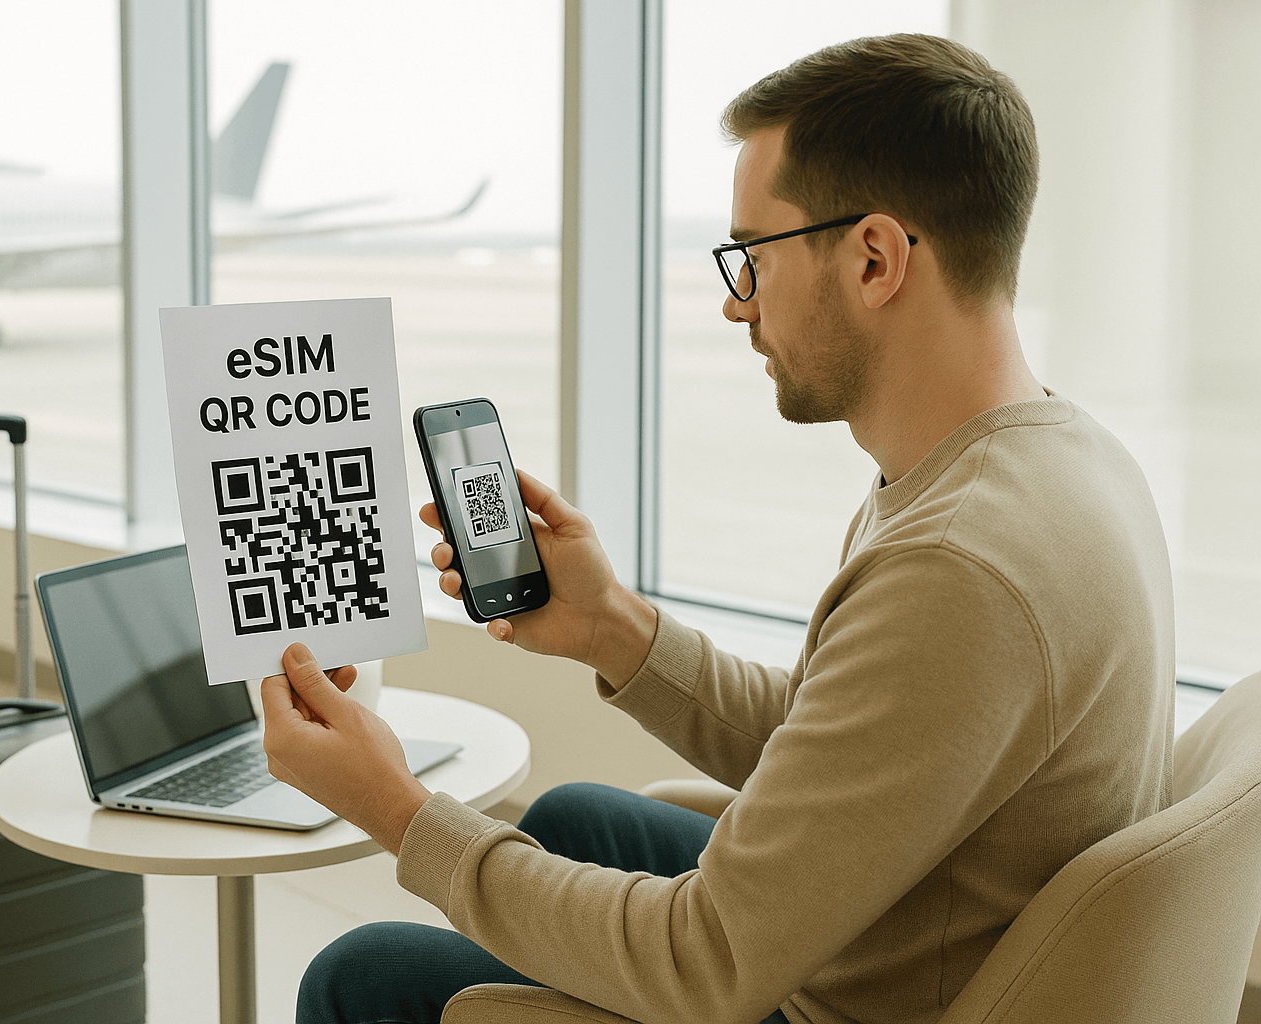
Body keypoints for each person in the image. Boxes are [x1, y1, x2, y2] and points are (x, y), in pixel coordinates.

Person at [260, 32, 1175, 1024]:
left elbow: (705, 964)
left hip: (838, 997)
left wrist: (395, 807)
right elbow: (854, 751)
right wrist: (614, 627)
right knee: (569, 819)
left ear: (874, 259)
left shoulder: (958, 567)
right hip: (906, 922)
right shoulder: (1050, 457)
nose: (737, 304)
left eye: (751, 256)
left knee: (359, 977)